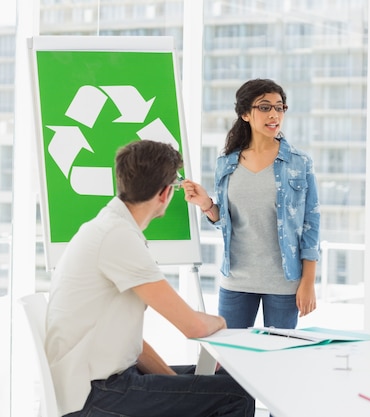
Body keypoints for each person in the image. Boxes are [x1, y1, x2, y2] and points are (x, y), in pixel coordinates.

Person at [45, 140, 255, 417]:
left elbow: (135, 346)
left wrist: (181, 387)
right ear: (165, 193)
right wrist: (220, 322)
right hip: (94, 394)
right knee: (235, 395)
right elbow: (194, 327)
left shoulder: (110, 228)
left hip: (103, 382)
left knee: (222, 383)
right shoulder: (117, 237)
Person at [183, 78, 320, 330]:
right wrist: (206, 204)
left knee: (276, 360)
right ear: (245, 114)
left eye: (280, 107)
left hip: (284, 281)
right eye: (265, 107)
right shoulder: (226, 162)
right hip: (236, 279)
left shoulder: (299, 162)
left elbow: (311, 225)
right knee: (229, 360)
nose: (274, 114)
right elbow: (226, 221)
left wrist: (308, 282)